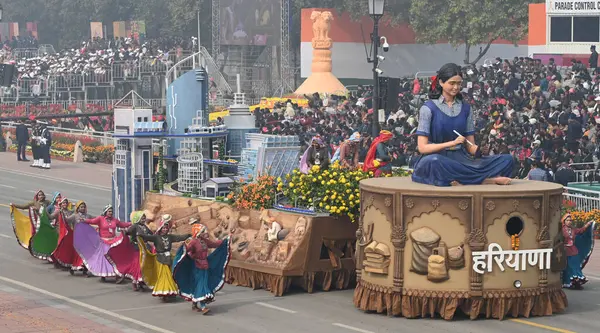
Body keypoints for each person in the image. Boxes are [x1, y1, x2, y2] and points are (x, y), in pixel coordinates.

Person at [411, 63, 514, 186]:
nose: (456, 87)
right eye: (452, 83)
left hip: (461, 158)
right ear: (441, 82)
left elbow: (470, 146)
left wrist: (479, 150)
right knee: (435, 162)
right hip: (437, 157)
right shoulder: (428, 108)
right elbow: (422, 147)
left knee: (507, 159)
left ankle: (464, 180)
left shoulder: (466, 108)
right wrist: (452, 143)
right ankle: (485, 181)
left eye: (459, 83)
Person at [173, 223, 230, 314]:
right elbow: (186, 250)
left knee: (201, 284)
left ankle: (195, 304)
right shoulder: (192, 241)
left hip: (205, 265)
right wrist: (184, 250)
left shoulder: (204, 241)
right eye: (203, 231)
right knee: (201, 285)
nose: (205, 233)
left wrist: (226, 239)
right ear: (198, 232)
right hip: (197, 267)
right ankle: (203, 307)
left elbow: (214, 244)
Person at [138, 214, 191, 302]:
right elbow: (147, 237)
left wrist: (188, 235)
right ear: (161, 228)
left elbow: (179, 238)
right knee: (164, 276)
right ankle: (164, 292)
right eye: (163, 228)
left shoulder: (170, 237)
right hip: (160, 258)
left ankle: (169, 291)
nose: (165, 229)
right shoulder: (156, 237)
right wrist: (140, 235)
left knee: (170, 275)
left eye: (166, 228)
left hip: (169, 258)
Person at [74, 205, 131, 281]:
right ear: (105, 212)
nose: (111, 213)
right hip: (104, 242)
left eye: (111, 211)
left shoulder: (115, 220)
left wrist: (131, 223)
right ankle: (103, 275)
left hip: (113, 242)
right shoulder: (100, 219)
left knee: (114, 258)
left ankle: (116, 273)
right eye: (109, 211)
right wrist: (83, 220)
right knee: (104, 260)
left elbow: (122, 225)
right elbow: (91, 221)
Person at [107, 211, 152, 291]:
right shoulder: (134, 226)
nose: (143, 219)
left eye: (144, 217)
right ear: (138, 218)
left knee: (144, 265)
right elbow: (127, 233)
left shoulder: (145, 227)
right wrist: (123, 232)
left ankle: (141, 281)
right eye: (142, 217)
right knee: (137, 265)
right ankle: (135, 282)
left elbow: (151, 234)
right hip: (136, 248)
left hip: (145, 248)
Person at [561, 213, 595, 289]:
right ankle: (568, 282)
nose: (569, 222)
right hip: (565, 251)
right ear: (564, 221)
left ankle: (576, 281)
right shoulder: (561, 230)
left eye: (570, 220)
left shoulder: (573, 229)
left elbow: (581, 230)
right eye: (567, 220)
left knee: (576, 266)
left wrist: (588, 224)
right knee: (568, 267)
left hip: (573, 250)